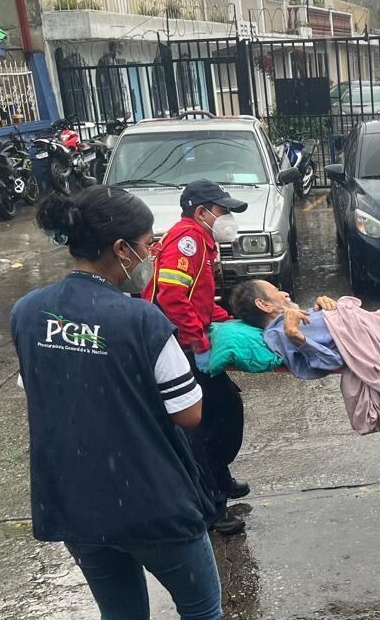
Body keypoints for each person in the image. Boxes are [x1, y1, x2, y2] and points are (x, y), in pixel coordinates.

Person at [10, 186, 222, 620]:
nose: (151, 255)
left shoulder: (28, 311)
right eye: (147, 244)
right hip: (153, 502)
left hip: (75, 504)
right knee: (203, 612)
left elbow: (37, 389)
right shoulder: (141, 318)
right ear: (122, 249)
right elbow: (189, 414)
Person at [144, 180, 249, 536]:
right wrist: (197, 340)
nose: (227, 217)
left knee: (226, 409)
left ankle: (220, 477)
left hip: (189, 338)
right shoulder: (187, 240)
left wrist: (228, 320)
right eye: (223, 211)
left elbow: (197, 301)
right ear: (202, 212)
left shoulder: (201, 242)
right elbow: (171, 296)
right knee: (199, 428)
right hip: (178, 345)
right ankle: (212, 507)